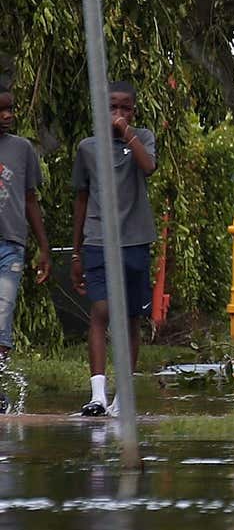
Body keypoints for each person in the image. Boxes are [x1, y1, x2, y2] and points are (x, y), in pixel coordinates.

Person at [71, 81, 158, 417]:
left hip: (135, 239)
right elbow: (81, 197)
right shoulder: (88, 148)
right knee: (102, 311)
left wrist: (126, 132)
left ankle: (124, 397)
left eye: (125, 109)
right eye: (112, 108)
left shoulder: (143, 138)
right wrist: (76, 252)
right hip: (97, 239)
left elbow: (148, 167)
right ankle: (97, 395)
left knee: (131, 317)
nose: (118, 114)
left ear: (133, 111)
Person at [0, 85, 51, 361]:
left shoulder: (22, 149)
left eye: (10, 109)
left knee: (2, 316)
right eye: (1, 110)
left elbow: (30, 199)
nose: (7, 115)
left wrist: (44, 248)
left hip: (10, 244)